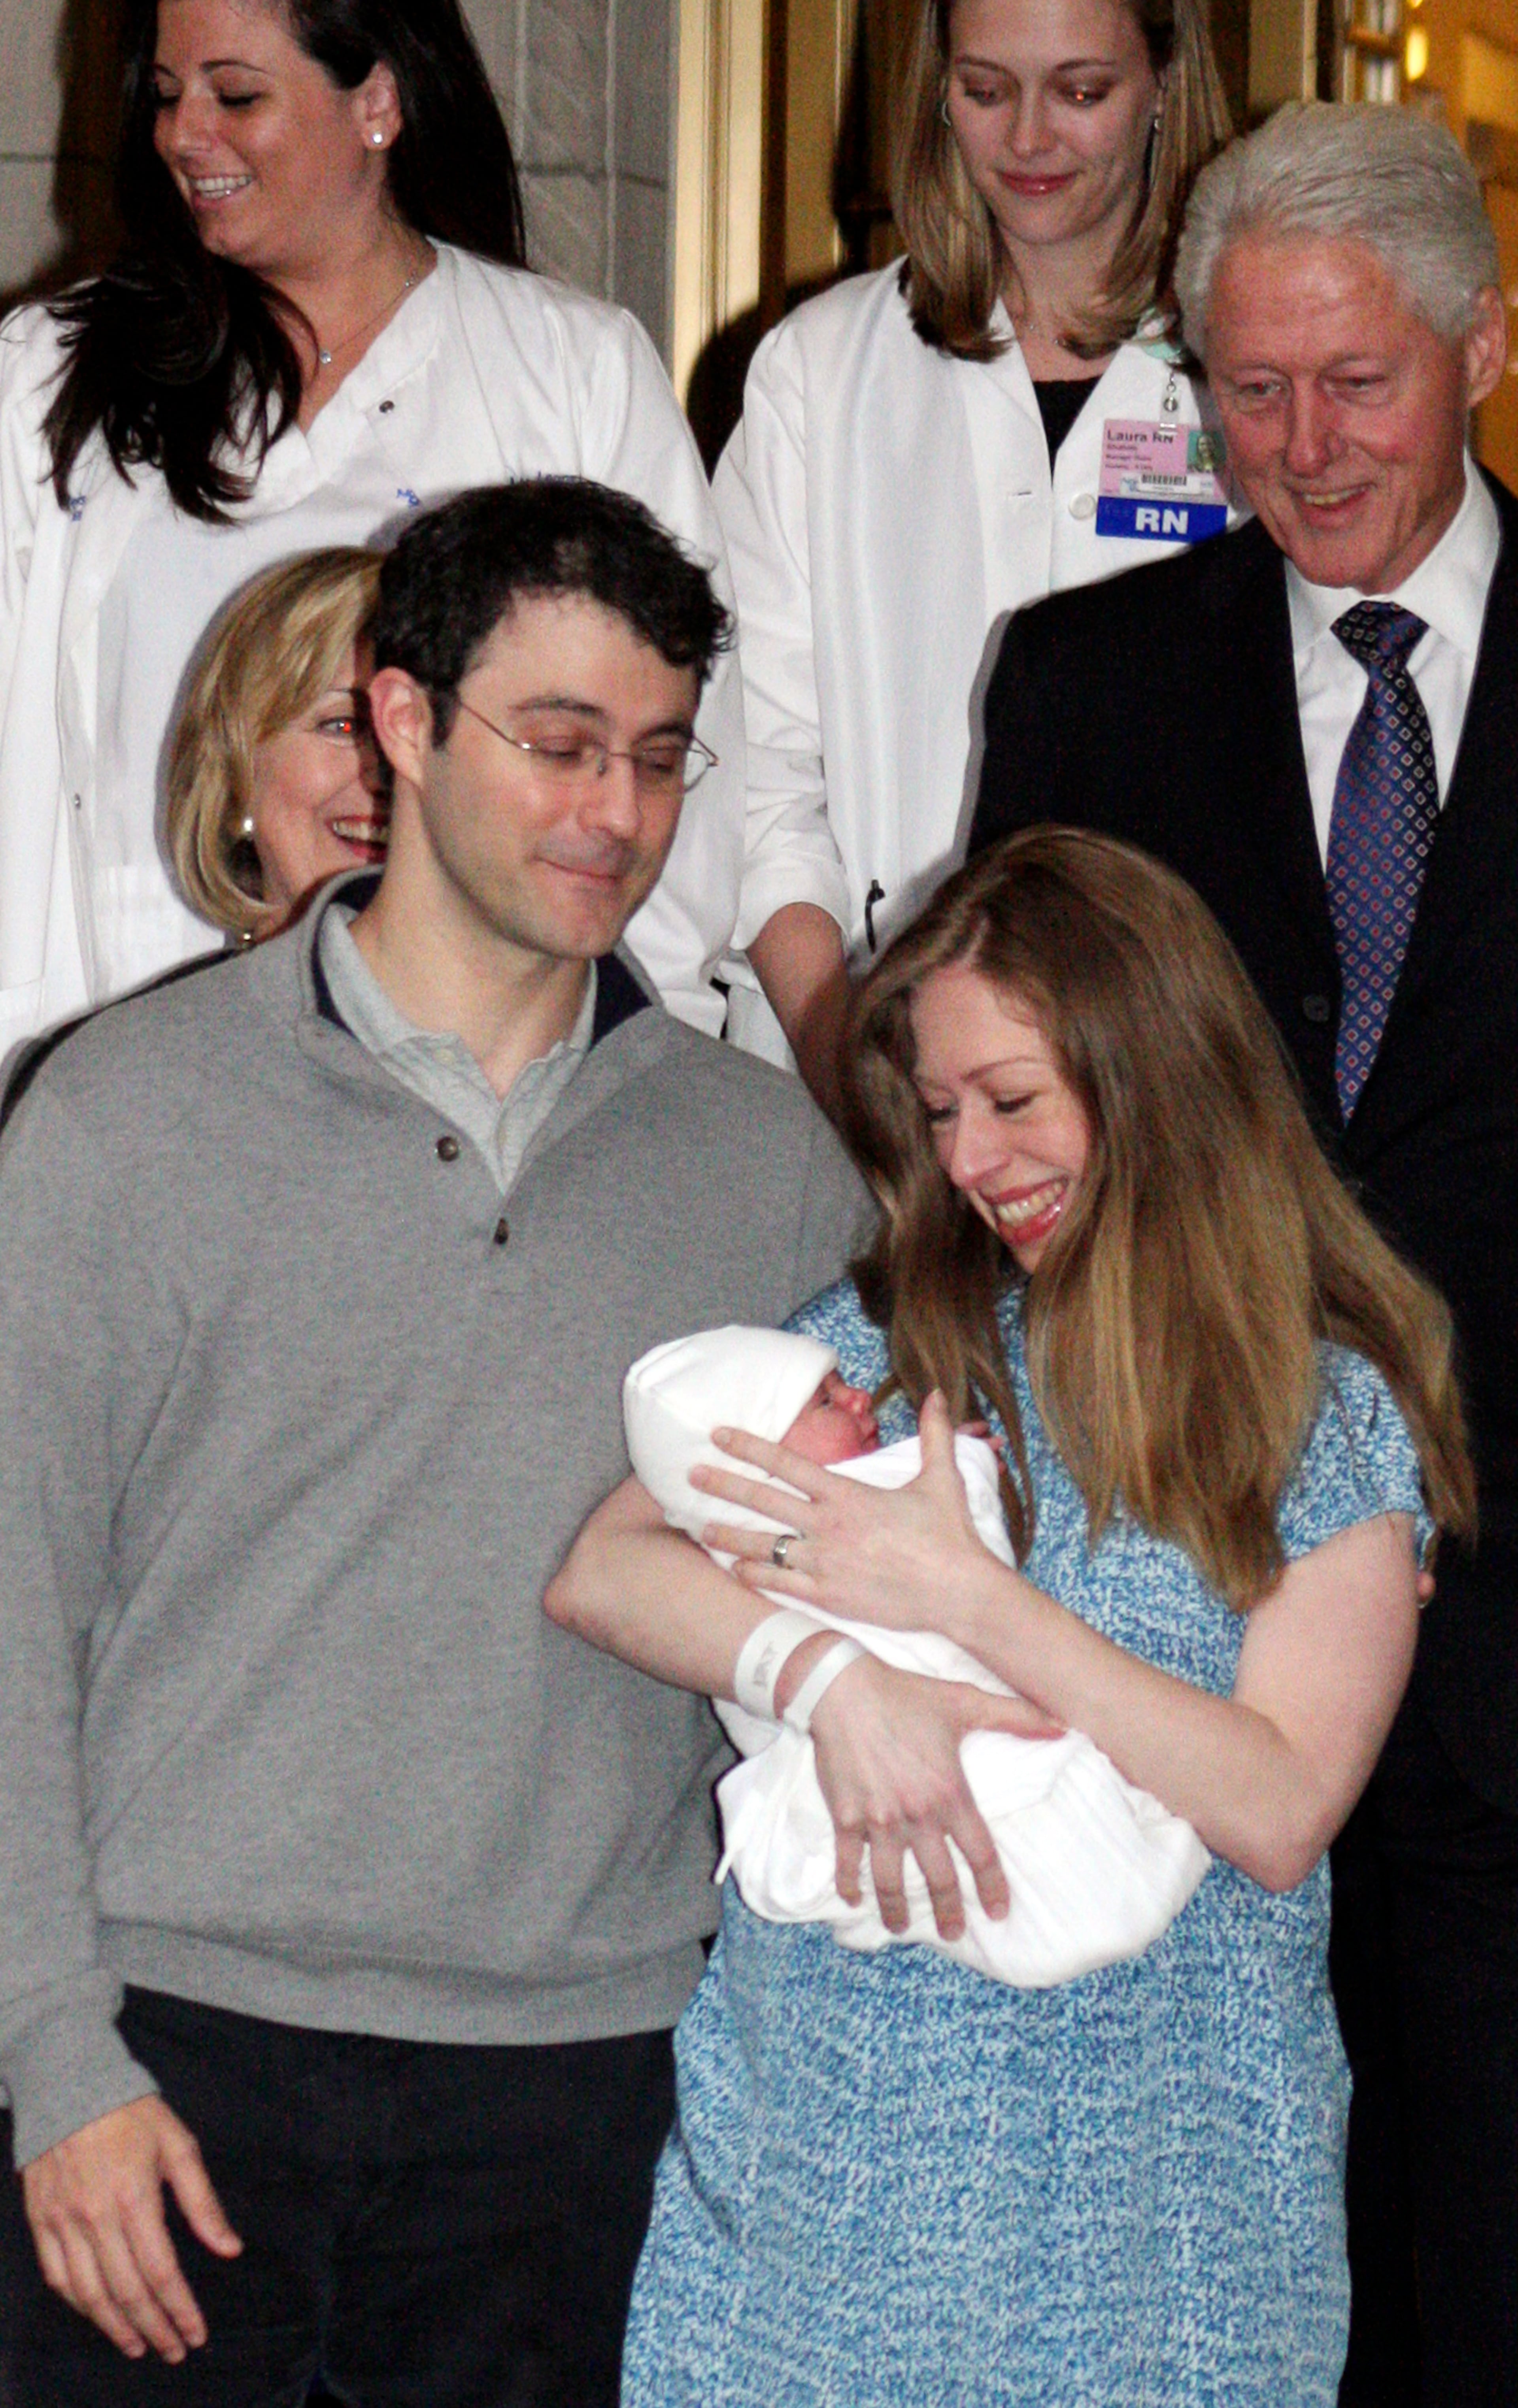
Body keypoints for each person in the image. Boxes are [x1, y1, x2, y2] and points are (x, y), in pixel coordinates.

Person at [0, 477, 865, 2407]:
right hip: (180, 2058)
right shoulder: (124, 1119)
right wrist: (55, 2056)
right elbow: (7, 1608)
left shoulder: (769, 1169)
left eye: (654, 758)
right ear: (400, 721)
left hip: (585, 2095)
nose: (613, 814)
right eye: (555, 743)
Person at [548, 827, 1470, 2406]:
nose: (971, 1157)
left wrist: (966, 1597)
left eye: (1014, 1098)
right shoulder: (890, 1340)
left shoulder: (1323, 1407)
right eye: (941, 1107)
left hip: (1166, 2224)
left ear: (1158, 1064)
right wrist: (828, 1671)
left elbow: (1277, 1801)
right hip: (828, 2193)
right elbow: (610, 1566)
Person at [969, 101, 1518, 2408]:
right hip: (1191, 1600)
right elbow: (1012, 1121)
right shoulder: (1087, 678)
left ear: (1480, 349)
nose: (1297, 451)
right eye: (1249, 392)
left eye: (1355, 385)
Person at [0, 0, 744, 1062]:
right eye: (166, 97)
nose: (185, 135)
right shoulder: (48, 373)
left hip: (468, 1088)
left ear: (379, 101)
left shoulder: (568, 374)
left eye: (236, 94)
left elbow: (678, 769)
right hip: (114, 1071)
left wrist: (593, 1084)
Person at [716, 0, 1234, 1100]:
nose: (1030, 140)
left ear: (1164, 87)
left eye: (1081, 92)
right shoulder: (819, 371)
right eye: (986, 91)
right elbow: (757, 767)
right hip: (855, 1055)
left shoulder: (1246, 369)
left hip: (1170, 1078)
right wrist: (844, 1051)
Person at [623, 1321, 1209, 1984]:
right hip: (868, 1778)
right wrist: (954, 1468)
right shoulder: (720, 1556)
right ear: (748, 1469)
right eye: (824, 1401)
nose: (860, 1401)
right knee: (1033, 1841)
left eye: (843, 1384)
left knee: (1057, 1845)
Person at [166, 546, 386, 944]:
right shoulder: (177, 1010)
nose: (384, 770)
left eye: (413, 730)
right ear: (237, 765)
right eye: (344, 725)